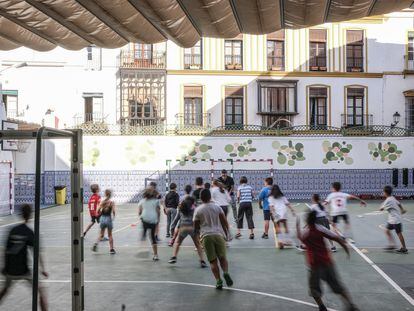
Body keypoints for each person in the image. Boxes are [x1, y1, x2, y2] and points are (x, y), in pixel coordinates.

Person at [296, 211, 359, 311]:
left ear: (307, 220)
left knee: (314, 289)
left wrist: (297, 225)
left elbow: (300, 237)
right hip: (327, 262)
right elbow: (337, 238)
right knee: (337, 286)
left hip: (314, 265)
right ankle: (351, 305)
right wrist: (346, 249)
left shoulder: (306, 233)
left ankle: (322, 307)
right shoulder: (320, 229)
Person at [0, 204, 48, 311]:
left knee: (5, 290)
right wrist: (43, 270)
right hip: (23, 270)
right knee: (41, 291)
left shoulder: (12, 230)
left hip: (10, 269)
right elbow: (37, 253)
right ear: (30, 215)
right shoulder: (29, 233)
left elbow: (5, 251)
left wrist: (4, 267)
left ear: (21, 214)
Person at [194, 189, 233, 289]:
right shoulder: (217, 207)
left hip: (206, 236)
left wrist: (198, 240)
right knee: (222, 258)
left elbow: (196, 227)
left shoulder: (198, 210)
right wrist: (228, 234)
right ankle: (225, 272)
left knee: (213, 261)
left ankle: (218, 281)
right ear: (210, 197)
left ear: (201, 198)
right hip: (218, 235)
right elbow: (224, 222)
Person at [324, 182, 366, 250]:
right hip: (343, 211)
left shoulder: (331, 195)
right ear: (340, 188)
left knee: (333, 226)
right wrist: (361, 200)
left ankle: (340, 236)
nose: (331, 189)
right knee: (347, 223)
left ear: (334, 188)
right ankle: (344, 234)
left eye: (332, 188)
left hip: (335, 212)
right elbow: (353, 197)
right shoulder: (343, 194)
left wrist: (319, 206)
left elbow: (325, 203)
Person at [168, 196, 207, 267]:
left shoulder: (181, 209)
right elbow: (199, 219)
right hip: (192, 228)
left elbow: (176, 220)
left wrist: (172, 228)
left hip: (183, 227)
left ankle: (174, 257)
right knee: (198, 245)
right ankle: (202, 261)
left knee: (177, 243)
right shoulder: (195, 209)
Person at [380, 186, 408, 253]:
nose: (383, 193)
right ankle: (392, 245)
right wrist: (402, 209)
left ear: (386, 193)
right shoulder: (392, 198)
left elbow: (381, 208)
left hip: (396, 220)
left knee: (399, 233)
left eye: (383, 192)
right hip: (392, 220)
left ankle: (404, 248)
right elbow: (399, 204)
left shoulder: (388, 201)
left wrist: (381, 207)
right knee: (387, 231)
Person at [138, 187, 161, 261]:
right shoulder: (156, 201)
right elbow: (158, 211)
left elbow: (139, 212)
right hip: (153, 220)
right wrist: (158, 220)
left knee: (144, 232)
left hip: (145, 219)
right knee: (152, 237)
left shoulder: (142, 201)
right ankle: (155, 255)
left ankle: (143, 238)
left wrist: (141, 216)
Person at [92, 189, 116, 254]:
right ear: (110, 195)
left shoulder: (102, 202)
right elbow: (113, 211)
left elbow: (97, 211)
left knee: (101, 235)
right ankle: (111, 249)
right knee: (110, 235)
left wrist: (99, 214)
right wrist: (113, 217)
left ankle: (96, 243)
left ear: (105, 194)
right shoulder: (111, 202)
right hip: (108, 218)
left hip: (102, 218)